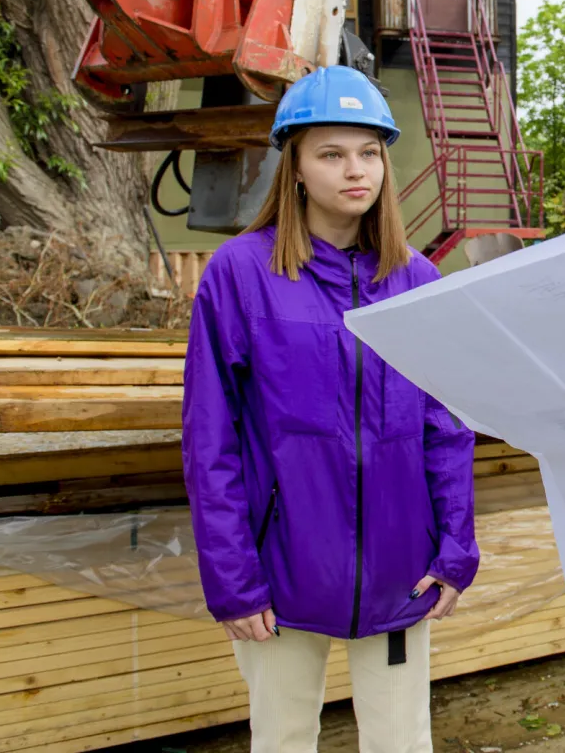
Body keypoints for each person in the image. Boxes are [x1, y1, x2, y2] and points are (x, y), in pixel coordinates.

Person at [183, 65, 479, 753]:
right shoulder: (241, 275)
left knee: (401, 742)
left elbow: (446, 427)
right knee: (283, 740)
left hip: (401, 569)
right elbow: (211, 441)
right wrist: (232, 579)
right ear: (295, 167)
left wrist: (456, 549)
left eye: (370, 152)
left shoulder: (417, 280)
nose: (357, 170)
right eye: (331, 153)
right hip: (279, 572)